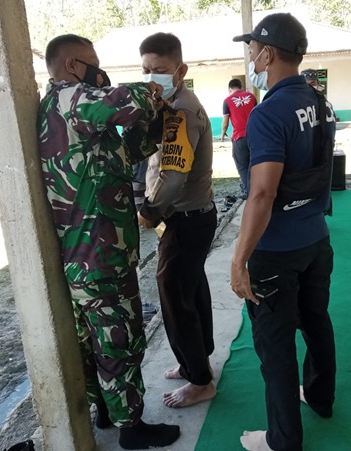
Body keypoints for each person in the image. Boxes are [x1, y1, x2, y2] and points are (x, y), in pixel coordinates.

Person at [36, 34, 180, 450]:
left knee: (96, 342)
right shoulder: (70, 98)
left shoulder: (76, 116)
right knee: (120, 341)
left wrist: (154, 121)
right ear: (71, 66)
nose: (100, 73)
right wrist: (155, 89)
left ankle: (105, 410)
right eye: (93, 64)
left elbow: (127, 150)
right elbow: (126, 101)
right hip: (99, 255)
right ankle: (131, 428)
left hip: (93, 253)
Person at [230, 13, 337, 451]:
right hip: (316, 239)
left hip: (276, 250)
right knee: (316, 321)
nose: (251, 57)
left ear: (268, 54)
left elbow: (262, 193)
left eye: (253, 49)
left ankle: (283, 440)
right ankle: (321, 397)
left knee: (275, 347)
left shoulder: (268, 113)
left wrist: (239, 259)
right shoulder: (320, 102)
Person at [136, 32, 218, 409]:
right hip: (193, 217)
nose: (152, 77)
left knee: (173, 294)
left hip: (185, 219)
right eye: (145, 70)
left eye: (160, 69)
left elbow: (171, 176)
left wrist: (149, 211)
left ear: (180, 70)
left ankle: (200, 381)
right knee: (191, 288)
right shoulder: (172, 103)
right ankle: (196, 363)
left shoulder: (181, 111)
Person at [220, 78, 257, 199]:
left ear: (229, 89)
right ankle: (256, 190)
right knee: (254, 165)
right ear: (241, 87)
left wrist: (223, 133)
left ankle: (249, 192)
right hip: (255, 136)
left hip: (239, 137)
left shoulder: (227, 101)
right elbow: (258, 114)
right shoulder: (252, 97)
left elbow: (225, 122)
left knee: (242, 166)